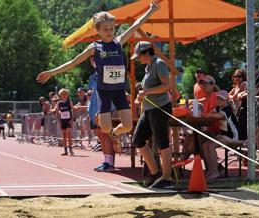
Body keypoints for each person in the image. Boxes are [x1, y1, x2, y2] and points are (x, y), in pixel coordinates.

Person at [36, 0, 160, 149]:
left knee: (127, 126)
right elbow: (73, 63)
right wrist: (52, 72)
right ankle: (106, 126)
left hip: (119, 90)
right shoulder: (94, 47)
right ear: (98, 30)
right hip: (104, 91)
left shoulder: (118, 41)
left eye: (112, 28)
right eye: (106, 29)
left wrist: (150, 11)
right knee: (105, 127)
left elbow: (135, 25)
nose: (109, 32)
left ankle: (115, 134)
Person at [131, 41, 172, 189]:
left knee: (162, 143)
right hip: (148, 109)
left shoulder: (159, 64)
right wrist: (141, 97)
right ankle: (155, 173)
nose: (137, 59)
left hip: (160, 107)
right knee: (137, 140)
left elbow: (167, 85)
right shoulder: (148, 67)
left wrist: (147, 92)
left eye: (139, 56)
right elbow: (149, 88)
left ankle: (167, 178)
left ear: (147, 53)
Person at [203, 90, 239, 179]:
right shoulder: (219, 107)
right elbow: (213, 111)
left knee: (211, 146)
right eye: (218, 99)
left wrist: (208, 115)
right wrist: (210, 113)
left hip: (232, 137)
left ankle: (215, 172)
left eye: (221, 100)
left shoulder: (227, 109)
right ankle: (211, 170)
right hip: (224, 135)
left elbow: (219, 116)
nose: (219, 101)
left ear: (227, 101)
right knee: (205, 145)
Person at [52, 89, 75, 156]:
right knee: (64, 135)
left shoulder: (69, 102)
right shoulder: (59, 103)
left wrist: (72, 120)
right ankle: (65, 150)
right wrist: (59, 121)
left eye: (65, 94)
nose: (63, 95)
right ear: (60, 95)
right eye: (62, 94)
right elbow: (57, 113)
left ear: (67, 95)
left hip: (69, 120)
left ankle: (70, 149)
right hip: (62, 121)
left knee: (68, 133)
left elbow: (73, 111)